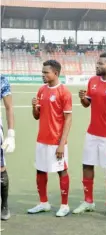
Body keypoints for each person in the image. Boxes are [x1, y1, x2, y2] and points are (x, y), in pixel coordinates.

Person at [73, 53, 106, 217]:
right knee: (87, 165)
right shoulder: (92, 81)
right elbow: (88, 104)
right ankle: (88, 201)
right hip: (92, 133)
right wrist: (82, 99)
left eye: (100, 64)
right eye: (97, 63)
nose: (96, 66)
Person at [28, 60, 72, 217]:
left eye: (46, 72)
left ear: (56, 73)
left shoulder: (64, 92)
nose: (43, 75)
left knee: (62, 171)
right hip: (42, 140)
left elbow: (68, 119)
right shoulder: (41, 90)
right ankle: (43, 203)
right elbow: (36, 116)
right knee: (40, 170)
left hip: (57, 141)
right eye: (42, 72)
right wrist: (34, 107)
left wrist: (61, 144)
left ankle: (64, 205)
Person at [0, 75, 15, 221]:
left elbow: (9, 107)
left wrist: (11, 134)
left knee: (0, 167)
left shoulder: (1, 79)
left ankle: (4, 205)